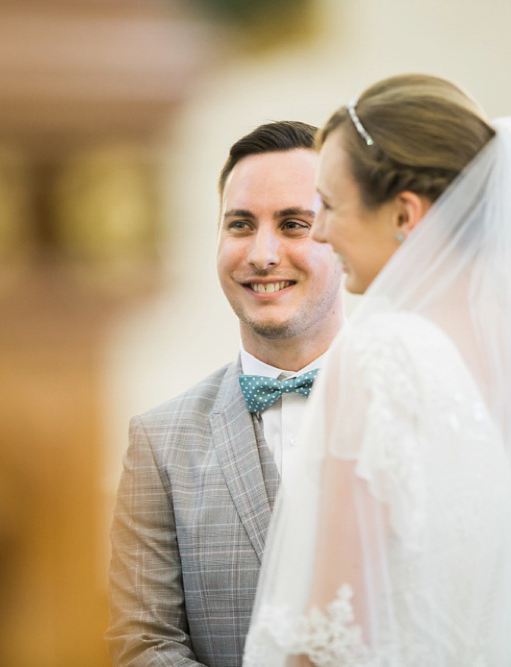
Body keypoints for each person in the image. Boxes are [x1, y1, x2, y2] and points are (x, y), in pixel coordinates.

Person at [244, 74, 511, 665]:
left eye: (332, 206)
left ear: (404, 213)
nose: (319, 230)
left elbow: (332, 637)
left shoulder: (381, 355)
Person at [106, 120, 345, 666]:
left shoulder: (413, 406)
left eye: (293, 224)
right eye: (240, 224)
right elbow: (144, 643)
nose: (262, 254)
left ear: (342, 236)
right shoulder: (159, 442)